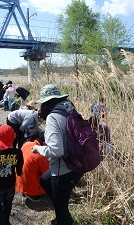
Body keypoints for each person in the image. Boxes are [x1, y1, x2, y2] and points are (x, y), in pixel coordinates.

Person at [31, 84, 83, 225]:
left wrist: (38, 149)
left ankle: (62, 217)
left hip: (63, 170)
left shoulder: (53, 118)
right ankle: (60, 205)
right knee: (44, 180)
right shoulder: (70, 110)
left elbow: (56, 151)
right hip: (77, 164)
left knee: (62, 211)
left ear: (47, 103)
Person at [15, 131, 49, 202]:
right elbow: (47, 173)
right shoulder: (42, 155)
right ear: (45, 144)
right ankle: (32, 193)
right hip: (31, 187)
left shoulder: (26, 144)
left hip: (17, 181)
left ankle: (25, 189)